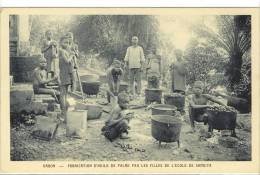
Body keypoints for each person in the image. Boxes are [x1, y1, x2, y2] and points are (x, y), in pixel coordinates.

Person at [59, 35, 74, 122]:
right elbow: (67, 61)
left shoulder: (66, 51)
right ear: (61, 43)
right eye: (65, 42)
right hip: (63, 74)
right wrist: (71, 55)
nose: (67, 44)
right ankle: (63, 112)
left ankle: (65, 113)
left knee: (65, 94)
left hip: (67, 74)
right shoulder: (61, 51)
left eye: (68, 43)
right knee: (62, 94)